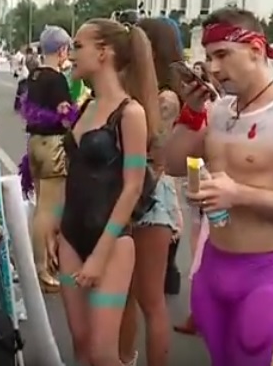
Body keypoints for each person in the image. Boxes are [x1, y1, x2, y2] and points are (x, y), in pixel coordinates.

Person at [163, 7, 273, 366]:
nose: (213, 68)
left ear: (256, 50)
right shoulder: (218, 110)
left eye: (222, 55)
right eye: (209, 57)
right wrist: (191, 113)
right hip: (213, 265)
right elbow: (173, 164)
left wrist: (239, 194)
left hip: (266, 273)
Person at [53, 18, 158, 366]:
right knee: (81, 344)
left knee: (102, 353)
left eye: (78, 46)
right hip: (71, 236)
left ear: (104, 52)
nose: (70, 56)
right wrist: (55, 224)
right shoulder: (87, 107)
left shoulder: (131, 113)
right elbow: (73, 174)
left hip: (111, 242)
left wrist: (100, 254)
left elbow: (133, 187)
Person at [117, 18, 183, 366]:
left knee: (150, 298)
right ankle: (125, 359)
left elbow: (155, 147)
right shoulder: (130, 91)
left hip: (151, 195)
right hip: (127, 193)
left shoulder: (165, 98)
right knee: (124, 293)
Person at [21, 25, 75, 291]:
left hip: (34, 143)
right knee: (49, 210)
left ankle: (39, 265)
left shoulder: (34, 75)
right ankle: (43, 269)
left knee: (41, 206)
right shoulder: (57, 79)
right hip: (53, 144)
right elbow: (65, 116)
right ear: (62, 49)